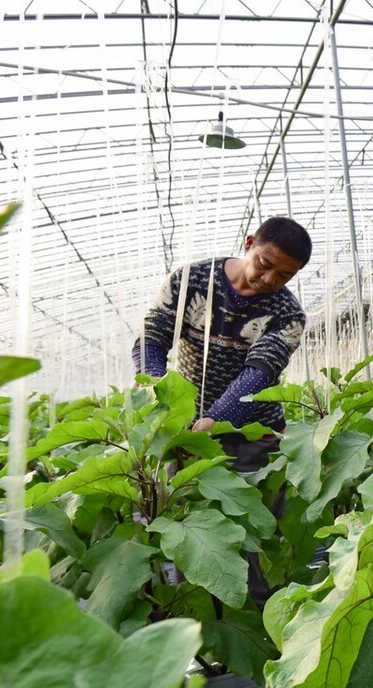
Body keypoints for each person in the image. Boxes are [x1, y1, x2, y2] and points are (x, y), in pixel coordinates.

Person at [133, 216, 311, 604]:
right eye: (265, 264)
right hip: (186, 434)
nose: (269, 279)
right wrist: (157, 392)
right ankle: (199, 621)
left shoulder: (288, 315)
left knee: (258, 535)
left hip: (256, 438)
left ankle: (264, 622)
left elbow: (260, 373)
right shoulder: (189, 281)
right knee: (192, 534)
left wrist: (216, 418)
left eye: (284, 275)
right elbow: (151, 339)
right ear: (249, 243)